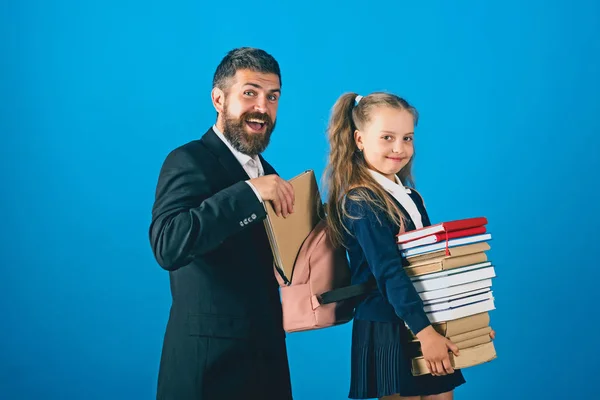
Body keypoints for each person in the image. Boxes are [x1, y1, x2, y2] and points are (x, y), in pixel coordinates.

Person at [323, 92, 494, 400]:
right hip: (388, 323)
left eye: (407, 138)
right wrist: (425, 332)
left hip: (423, 315)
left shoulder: (409, 197)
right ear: (359, 139)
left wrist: (468, 326)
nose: (399, 148)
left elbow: (428, 269)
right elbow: (389, 273)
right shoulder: (362, 200)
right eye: (387, 137)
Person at [149, 47, 295, 400]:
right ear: (218, 98)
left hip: (268, 363)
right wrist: (249, 194)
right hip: (208, 370)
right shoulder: (188, 160)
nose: (262, 107)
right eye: (250, 93)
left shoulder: (269, 174)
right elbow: (169, 245)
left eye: (272, 96)